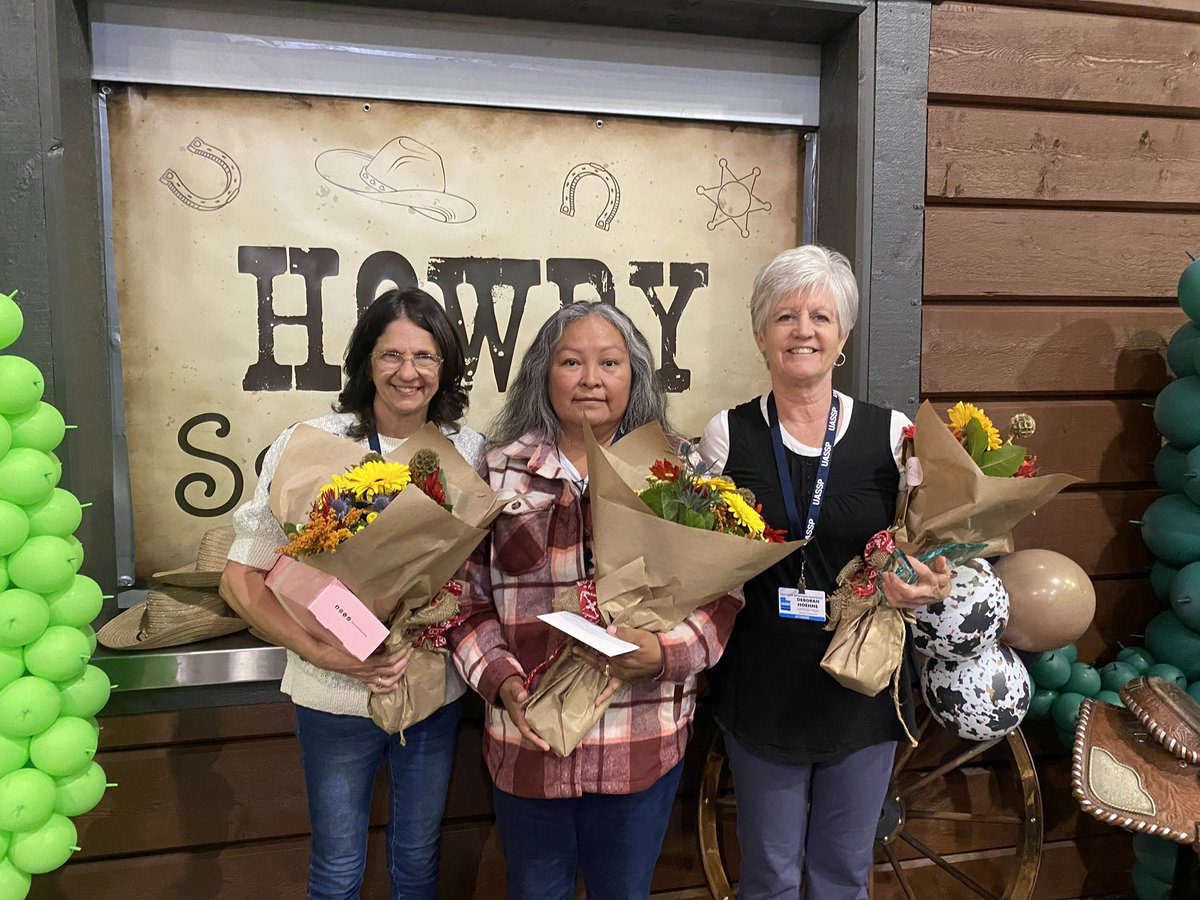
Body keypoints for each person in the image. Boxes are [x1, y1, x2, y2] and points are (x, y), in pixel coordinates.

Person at [450, 301, 743, 900]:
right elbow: (462, 599)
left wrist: (664, 653)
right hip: (527, 737)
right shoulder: (499, 472)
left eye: (609, 363)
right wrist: (502, 682)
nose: (590, 379)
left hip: (641, 738)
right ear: (543, 372)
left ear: (634, 376)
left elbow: (723, 593)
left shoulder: (680, 469)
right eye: (571, 362)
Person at [698, 245, 951, 900]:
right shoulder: (726, 435)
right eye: (785, 316)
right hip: (763, 685)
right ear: (761, 335)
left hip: (860, 683)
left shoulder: (892, 434)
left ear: (843, 336)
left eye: (820, 316)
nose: (802, 330)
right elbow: (704, 560)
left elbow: (920, 542)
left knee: (843, 874)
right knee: (770, 877)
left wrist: (924, 582)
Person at [220, 287, 485, 900]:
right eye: (392, 354)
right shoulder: (310, 442)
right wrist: (324, 652)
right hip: (333, 698)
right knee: (337, 870)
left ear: (445, 366)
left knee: (418, 863)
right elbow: (241, 577)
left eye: (425, 356)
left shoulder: (467, 450)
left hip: (428, 694)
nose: (408, 372)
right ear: (367, 360)